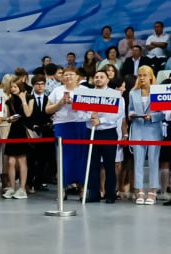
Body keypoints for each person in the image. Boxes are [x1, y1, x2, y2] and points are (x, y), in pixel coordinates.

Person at [46, 67, 88, 198]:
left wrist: (74, 103)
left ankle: (82, 187)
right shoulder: (57, 90)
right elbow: (48, 109)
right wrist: (60, 104)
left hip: (80, 124)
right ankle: (62, 188)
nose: (68, 77)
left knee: (81, 157)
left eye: (71, 74)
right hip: (62, 125)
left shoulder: (85, 90)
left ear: (77, 77)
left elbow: (91, 107)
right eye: (66, 74)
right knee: (63, 158)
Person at [128, 65, 163, 204]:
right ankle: (140, 191)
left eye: (144, 75)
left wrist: (153, 117)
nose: (141, 78)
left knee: (154, 161)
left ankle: (152, 191)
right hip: (138, 129)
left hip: (154, 130)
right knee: (138, 161)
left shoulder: (158, 92)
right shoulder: (133, 92)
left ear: (150, 76)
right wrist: (132, 115)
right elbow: (130, 110)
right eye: (139, 75)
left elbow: (164, 113)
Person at [85, 67, 120, 203]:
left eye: (101, 77)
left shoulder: (115, 94)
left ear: (107, 79)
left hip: (108, 132)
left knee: (109, 165)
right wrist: (90, 116)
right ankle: (93, 194)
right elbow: (81, 111)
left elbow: (117, 114)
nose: (98, 79)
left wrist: (101, 120)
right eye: (96, 77)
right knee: (92, 164)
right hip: (91, 132)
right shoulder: (87, 94)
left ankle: (111, 194)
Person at [2, 81, 33, 199]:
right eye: (11, 87)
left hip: (23, 131)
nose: (13, 89)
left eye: (15, 87)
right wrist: (10, 119)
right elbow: (7, 117)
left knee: (22, 161)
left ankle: (22, 188)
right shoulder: (8, 101)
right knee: (10, 161)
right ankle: (12, 187)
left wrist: (23, 99)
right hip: (13, 131)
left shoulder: (29, 98)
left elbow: (28, 113)